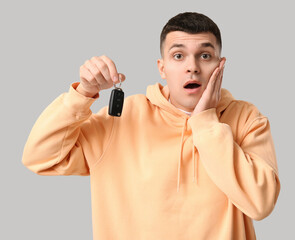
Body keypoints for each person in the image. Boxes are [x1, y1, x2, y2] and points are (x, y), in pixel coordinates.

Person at [23, 12, 280, 240]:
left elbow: (261, 203)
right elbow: (39, 157)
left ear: (220, 65)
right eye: (178, 56)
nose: (192, 67)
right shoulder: (123, 118)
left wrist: (205, 122)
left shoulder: (247, 119)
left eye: (205, 55)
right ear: (162, 68)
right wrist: (83, 94)